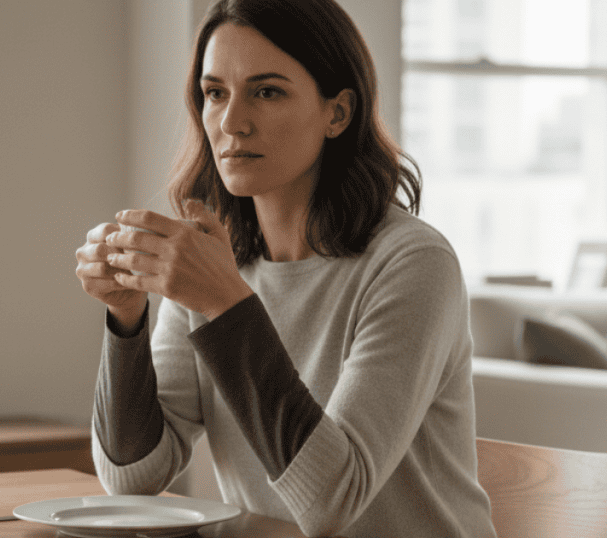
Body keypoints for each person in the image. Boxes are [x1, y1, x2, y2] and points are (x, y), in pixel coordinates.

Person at [74, 0, 497, 536]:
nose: (231, 122)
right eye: (214, 93)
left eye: (266, 91)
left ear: (337, 113)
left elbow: (332, 502)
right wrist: (126, 319)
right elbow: (132, 478)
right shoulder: (216, 262)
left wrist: (224, 304)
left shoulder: (413, 265)